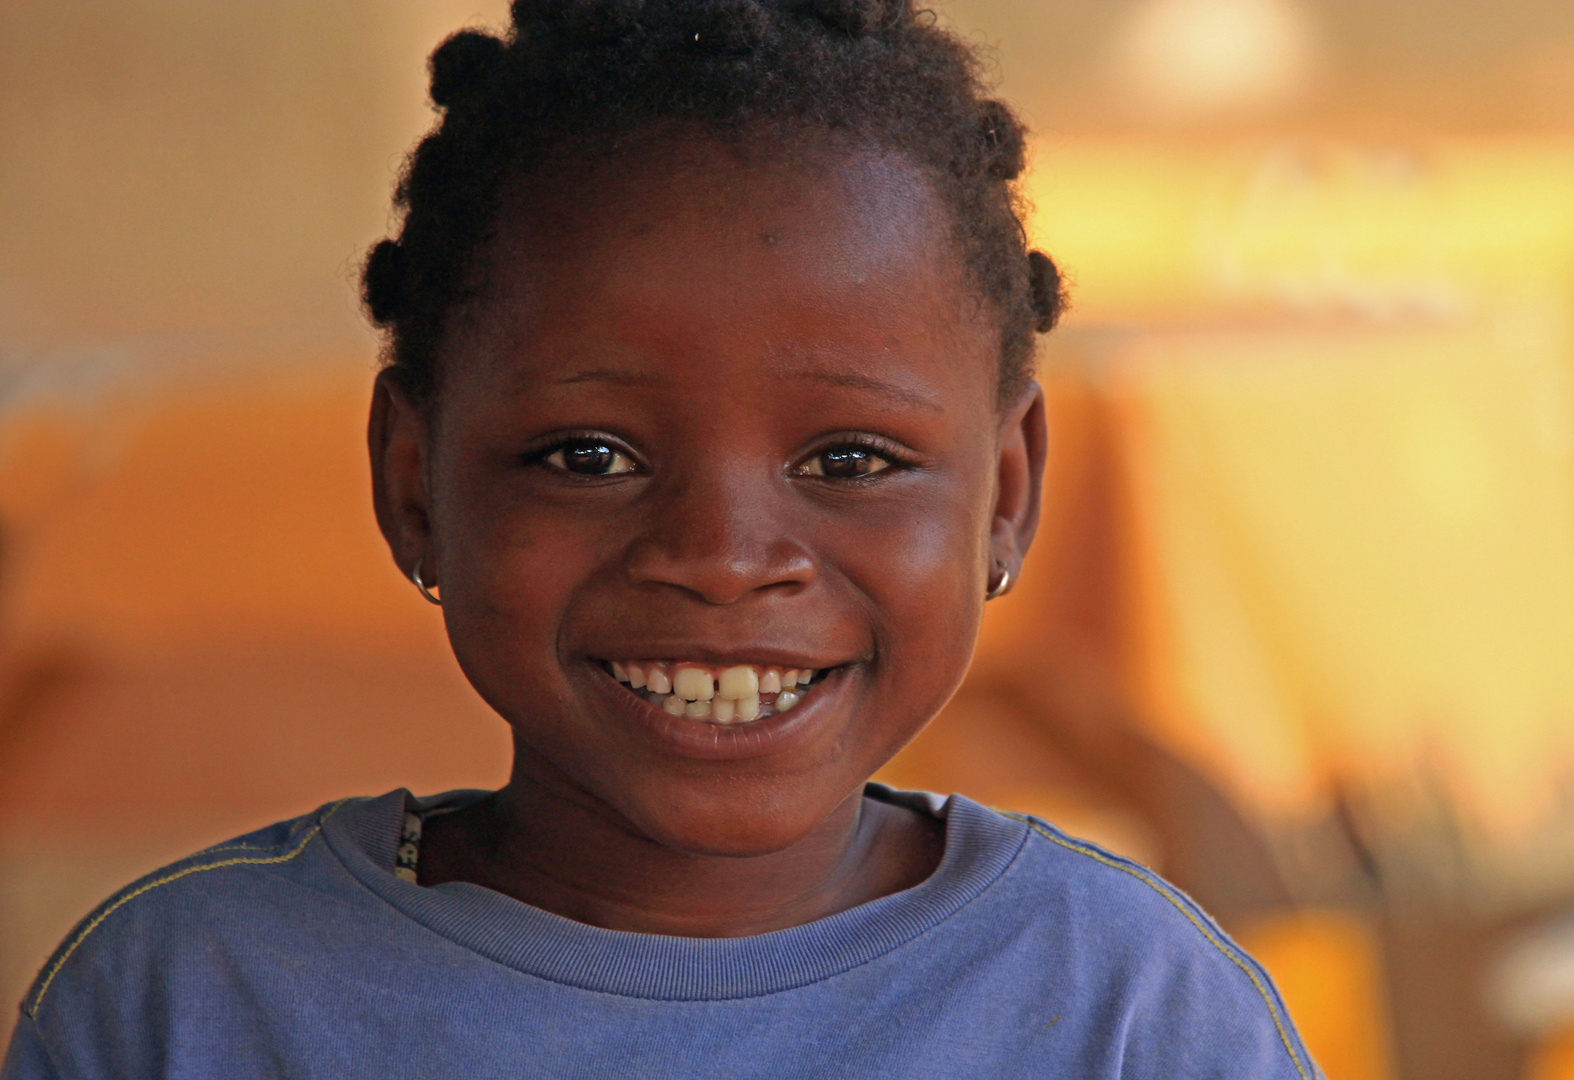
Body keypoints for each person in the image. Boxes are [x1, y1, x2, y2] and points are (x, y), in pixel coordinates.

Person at [2, 1, 1318, 1076]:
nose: (723, 552)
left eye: (850, 459)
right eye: (590, 458)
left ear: (1009, 490)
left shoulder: (1133, 1014)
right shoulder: (192, 1010)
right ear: (415, 482)